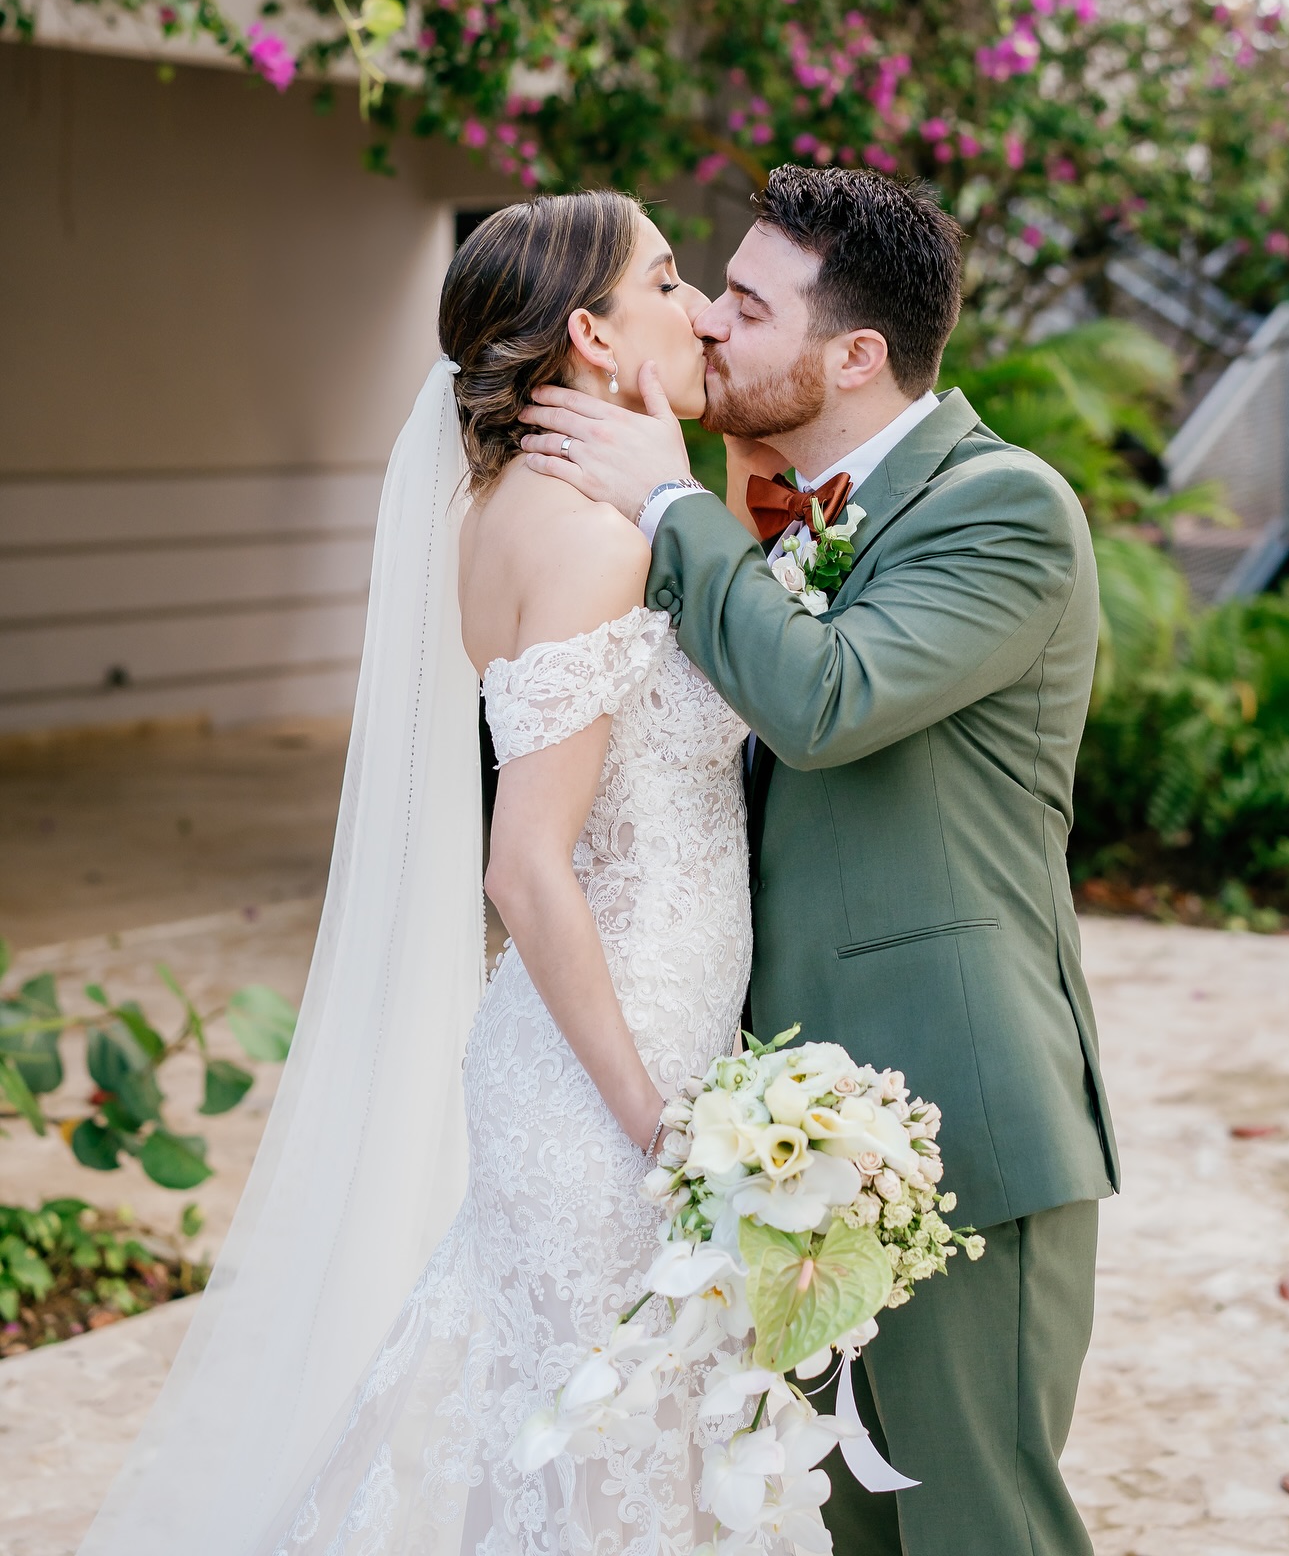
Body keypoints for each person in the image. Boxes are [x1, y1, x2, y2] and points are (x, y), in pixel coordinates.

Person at [76, 191, 753, 1556]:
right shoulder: (596, 542)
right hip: (613, 1076)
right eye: (670, 283)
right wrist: (657, 1125)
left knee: (570, 1452)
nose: (699, 309)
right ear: (592, 334)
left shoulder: (524, 508)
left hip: (599, 1043)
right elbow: (523, 867)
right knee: (604, 1462)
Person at [519, 164, 1121, 1556]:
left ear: (856, 355)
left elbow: (829, 703)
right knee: (837, 1526)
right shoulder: (779, 507)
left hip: (958, 1114)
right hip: (782, 1130)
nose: (712, 326)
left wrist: (677, 512)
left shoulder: (1004, 509)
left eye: (744, 302)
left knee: (977, 1521)